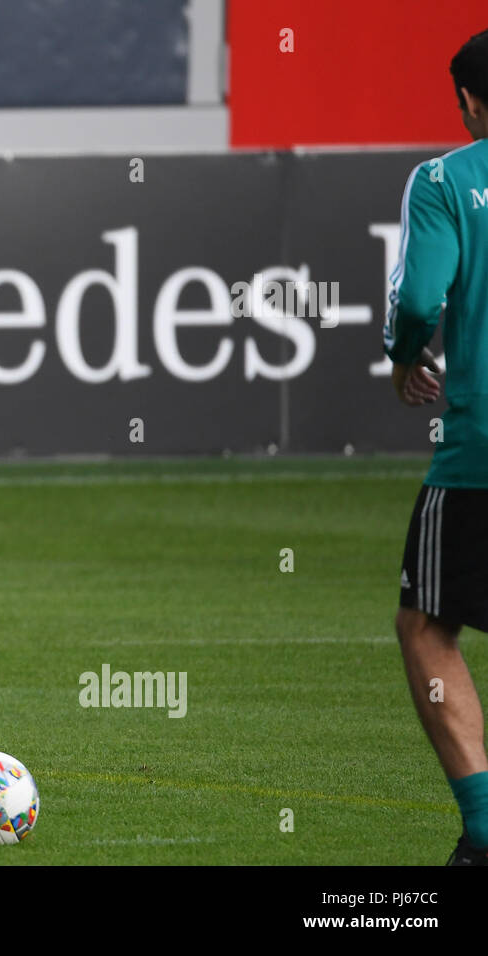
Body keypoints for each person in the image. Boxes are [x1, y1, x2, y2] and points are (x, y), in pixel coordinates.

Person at [386, 28, 488, 865]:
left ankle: (485, 829)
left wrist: (403, 353)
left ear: (467, 102)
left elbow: (421, 297)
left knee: (426, 621)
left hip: (480, 453)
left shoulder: (447, 181)